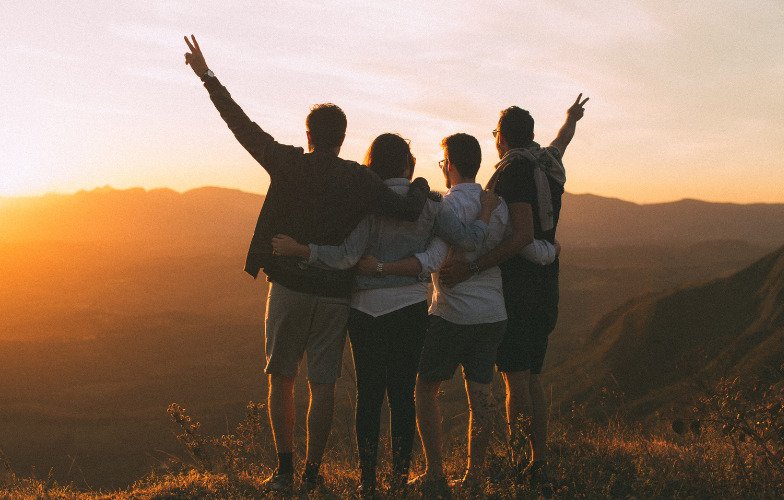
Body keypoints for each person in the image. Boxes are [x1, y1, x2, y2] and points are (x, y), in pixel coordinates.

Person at [182, 35, 434, 493]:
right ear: (342, 138)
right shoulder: (359, 178)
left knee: (282, 377)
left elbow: (241, 125)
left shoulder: (287, 163)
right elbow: (408, 210)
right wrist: (420, 184)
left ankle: (283, 471)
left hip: (290, 288)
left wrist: (208, 76)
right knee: (324, 385)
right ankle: (314, 474)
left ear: (309, 135)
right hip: (336, 294)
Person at [270, 132, 499, 497]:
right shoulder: (431, 205)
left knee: (370, 395)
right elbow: (470, 240)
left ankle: (368, 482)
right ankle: (398, 481)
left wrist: (305, 251)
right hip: (409, 309)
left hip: (364, 310)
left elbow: (346, 255)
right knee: (403, 396)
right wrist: (485, 213)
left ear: (372, 165)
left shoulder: (367, 205)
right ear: (409, 166)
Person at [373, 134, 556, 495]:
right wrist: (551, 251)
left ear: (451, 164)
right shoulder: (499, 205)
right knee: (481, 396)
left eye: (443, 162)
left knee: (425, 389)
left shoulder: (445, 207)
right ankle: (475, 475)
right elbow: (521, 246)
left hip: (451, 313)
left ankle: (436, 473)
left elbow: (439, 255)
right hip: (492, 314)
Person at [440, 96, 588, 492]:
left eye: (495, 135)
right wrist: (571, 119)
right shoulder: (547, 162)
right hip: (546, 282)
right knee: (532, 377)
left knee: (516, 380)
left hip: (521, 286)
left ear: (502, 138)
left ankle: (523, 465)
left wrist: (471, 266)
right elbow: (563, 141)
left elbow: (521, 233)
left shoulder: (513, 174)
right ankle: (536, 463)